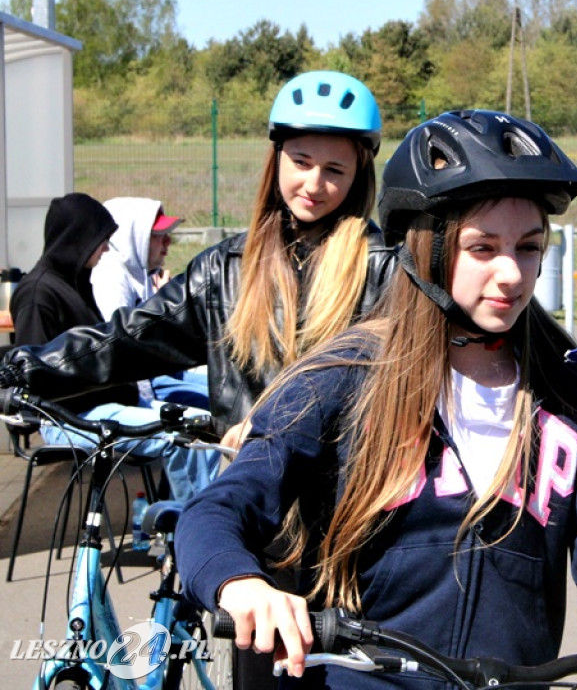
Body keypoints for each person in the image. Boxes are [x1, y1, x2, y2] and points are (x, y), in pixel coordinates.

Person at [176, 110, 577, 690]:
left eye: (528, 247)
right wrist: (240, 585)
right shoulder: (339, 379)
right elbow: (217, 512)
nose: (511, 275)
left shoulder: (574, 398)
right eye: (483, 247)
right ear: (428, 251)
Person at [0, 71, 396, 690]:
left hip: (355, 541)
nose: (314, 184)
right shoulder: (225, 269)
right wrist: (20, 366)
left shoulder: (385, 269)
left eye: (334, 171)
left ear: (359, 178)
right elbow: (127, 339)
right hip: (254, 537)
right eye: (300, 161)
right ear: (275, 161)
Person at [8, 192, 214, 502]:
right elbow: (36, 383)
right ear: (77, 239)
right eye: (101, 239)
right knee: (179, 438)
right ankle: (189, 534)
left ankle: (189, 522)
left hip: (102, 406)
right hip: (68, 418)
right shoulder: (39, 294)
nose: (107, 247)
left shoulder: (75, 283)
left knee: (199, 427)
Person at [91, 196, 209, 410]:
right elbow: (124, 349)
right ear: (132, 236)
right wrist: (146, 405)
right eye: (157, 236)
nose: (167, 243)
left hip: (157, 374)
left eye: (167, 235)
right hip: (140, 386)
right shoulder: (111, 278)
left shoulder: (139, 271)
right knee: (215, 408)